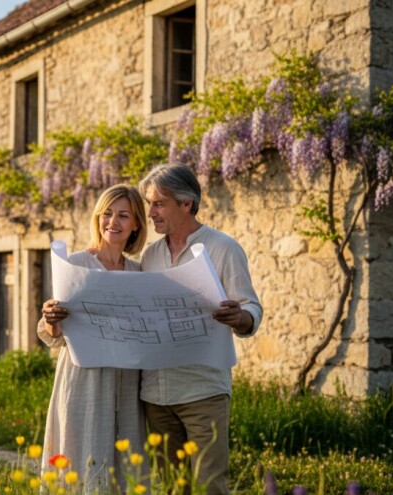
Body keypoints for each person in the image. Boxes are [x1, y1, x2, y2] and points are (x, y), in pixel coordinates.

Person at [137, 163, 263, 495]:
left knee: (209, 487)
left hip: (203, 391)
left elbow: (251, 307)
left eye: (158, 203)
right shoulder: (150, 256)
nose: (150, 213)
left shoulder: (223, 248)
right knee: (172, 488)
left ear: (186, 204)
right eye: (149, 204)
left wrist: (241, 317)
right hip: (155, 394)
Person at [38, 183, 148, 493]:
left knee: (126, 466)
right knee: (82, 457)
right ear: (97, 218)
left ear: (136, 223)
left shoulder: (140, 273)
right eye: (107, 214)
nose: (113, 222)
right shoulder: (74, 265)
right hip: (83, 378)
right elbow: (54, 335)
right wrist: (52, 319)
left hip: (127, 381)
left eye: (123, 215)